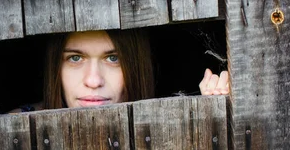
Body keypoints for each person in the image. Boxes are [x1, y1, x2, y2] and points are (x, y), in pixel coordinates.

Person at [12, 29, 229, 112]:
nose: (94, 81)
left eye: (113, 58)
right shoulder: (17, 138)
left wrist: (213, 111)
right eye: (75, 58)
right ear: (55, 69)